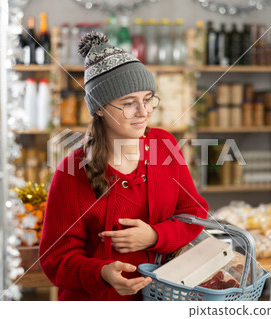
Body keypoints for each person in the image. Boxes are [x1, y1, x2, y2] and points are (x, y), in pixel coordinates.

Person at [39, 32, 208, 301]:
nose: (144, 111)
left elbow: (194, 213)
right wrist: (102, 272)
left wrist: (155, 236)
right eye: (129, 103)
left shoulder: (164, 144)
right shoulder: (71, 171)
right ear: (100, 109)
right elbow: (55, 259)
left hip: (163, 299)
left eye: (148, 98)